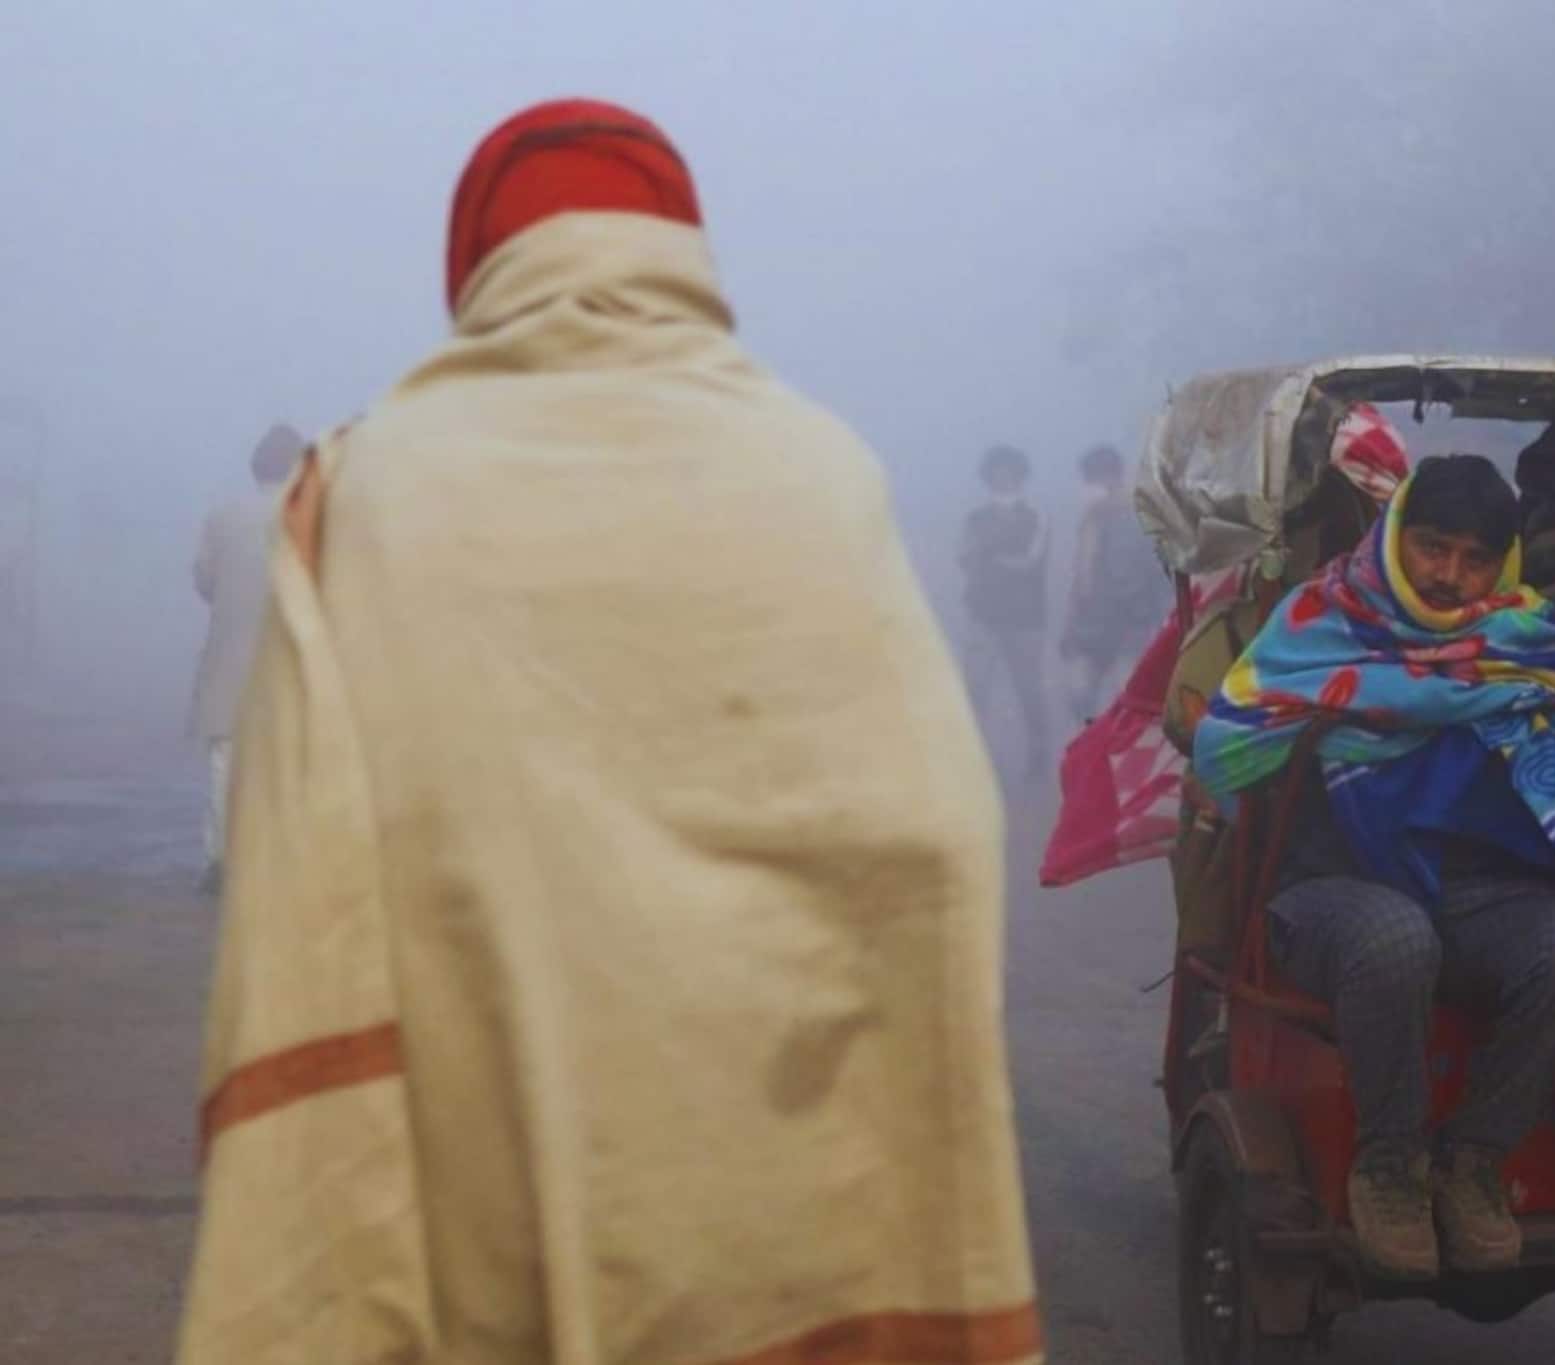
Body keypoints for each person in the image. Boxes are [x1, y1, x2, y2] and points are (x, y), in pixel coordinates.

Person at [177, 99, 1040, 1365]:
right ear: (682, 258)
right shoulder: (820, 466)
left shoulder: (375, 484)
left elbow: (299, 859)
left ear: (477, 268)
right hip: (786, 1144)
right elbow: (936, 824)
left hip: (482, 1125)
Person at [1193, 455, 1555, 1281]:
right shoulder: (1316, 620)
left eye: (1476, 558)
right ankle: (1389, 1165)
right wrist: (1366, 708)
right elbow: (1227, 739)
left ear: (1503, 561)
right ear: (1396, 538)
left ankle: (1472, 1161)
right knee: (1396, 938)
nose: (1450, 575)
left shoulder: (1528, 639)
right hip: (1324, 895)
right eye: (1432, 547)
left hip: (1475, 893)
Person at [186, 421, 302, 891]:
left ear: (255, 466)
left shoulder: (222, 516)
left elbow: (205, 583)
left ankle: (220, 861)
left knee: (225, 766)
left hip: (231, 662)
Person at [958, 443, 1051, 775]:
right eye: (997, 473)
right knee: (975, 688)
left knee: (1028, 689)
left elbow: (1030, 562)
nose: (1003, 478)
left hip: (1026, 618)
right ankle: (976, 759)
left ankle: (1038, 751)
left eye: (1010, 472)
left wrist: (989, 555)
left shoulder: (1037, 515)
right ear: (988, 478)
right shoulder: (974, 518)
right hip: (982, 615)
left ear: (1020, 476)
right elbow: (965, 560)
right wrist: (990, 556)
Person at [1061, 443, 1167, 721]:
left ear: (1113, 478)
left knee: (1124, 693)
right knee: (1080, 694)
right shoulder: (1089, 520)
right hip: (1090, 624)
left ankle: (1114, 755)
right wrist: (1071, 622)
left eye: (1096, 478)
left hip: (1126, 621)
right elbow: (1079, 578)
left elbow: (1150, 574)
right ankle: (1093, 750)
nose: (1090, 487)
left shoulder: (1135, 519)